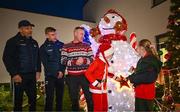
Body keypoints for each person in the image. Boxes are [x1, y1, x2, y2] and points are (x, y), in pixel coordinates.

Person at [2, 20, 41, 111]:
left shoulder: (34, 42)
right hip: (19, 76)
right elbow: (7, 58)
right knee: (18, 102)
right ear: (20, 29)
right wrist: (14, 74)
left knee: (33, 99)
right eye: (27, 28)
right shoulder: (12, 41)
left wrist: (38, 70)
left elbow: (38, 57)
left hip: (32, 76)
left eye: (31, 28)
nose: (30, 30)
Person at [61, 26, 93, 111]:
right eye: (81, 34)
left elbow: (92, 60)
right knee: (74, 99)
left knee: (89, 98)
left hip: (85, 76)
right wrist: (75, 62)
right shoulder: (66, 46)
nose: (83, 36)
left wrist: (84, 60)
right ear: (75, 33)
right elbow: (63, 61)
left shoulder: (87, 46)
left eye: (83, 34)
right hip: (72, 77)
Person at [125, 39, 162, 111]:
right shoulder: (143, 59)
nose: (136, 49)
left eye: (137, 47)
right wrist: (133, 73)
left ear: (142, 48)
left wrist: (129, 78)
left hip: (145, 94)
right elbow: (141, 72)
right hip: (142, 93)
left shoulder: (149, 60)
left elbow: (147, 77)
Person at [40, 27, 65, 111]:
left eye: (55, 34)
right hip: (50, 76)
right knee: (49, 98)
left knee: (60, 98)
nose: (55, 36)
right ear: (47, 35)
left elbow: (64, 60)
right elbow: (46, 64)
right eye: (52, 35)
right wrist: (56, 73)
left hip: (61, 76)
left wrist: (61, 71)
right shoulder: (43, 47)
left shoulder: (62, 45)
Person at [85, 43, 116, 111]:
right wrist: (95, 83)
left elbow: (105, 72)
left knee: (104, 106)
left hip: (103, 87)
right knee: (98, 107)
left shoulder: (105, 62)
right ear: (106, 54)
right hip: (96, 88)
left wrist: (115, 77)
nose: (111, 55)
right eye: (110, 54)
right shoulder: (97, 61)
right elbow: (88, 73)